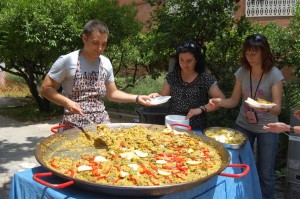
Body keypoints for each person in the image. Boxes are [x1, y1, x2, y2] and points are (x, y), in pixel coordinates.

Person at [209, 34, 284, 199]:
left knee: (265, 172)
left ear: (263, 52)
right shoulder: (242, 72)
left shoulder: (274, 74)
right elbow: (234, 101)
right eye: (247, 53)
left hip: (268, 128)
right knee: (239, 167)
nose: (249, 57)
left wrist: (266, 107)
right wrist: (219, 102)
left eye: (253, 53)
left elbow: (277, 109)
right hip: (244, 125)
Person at [40, 19, 151, 127]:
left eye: (104, 44)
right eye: (95, 43)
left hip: (102, 123)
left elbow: (112, 94)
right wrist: (67, 102)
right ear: (84, 38)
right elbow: (45, 88)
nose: (100, 48)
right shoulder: (67, 61)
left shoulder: (106, 63)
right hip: (74, 123)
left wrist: (137, 98)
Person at [149, 40, 225, 130]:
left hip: (195, 127)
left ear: (196, 60)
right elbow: (163, 96)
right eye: (181, 60)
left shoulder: (204, 78)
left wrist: (201, 109)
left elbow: (221, 100)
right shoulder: (172, 76)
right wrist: (156, 97)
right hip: (172, 124)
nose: (185, 64)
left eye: (189, 61)